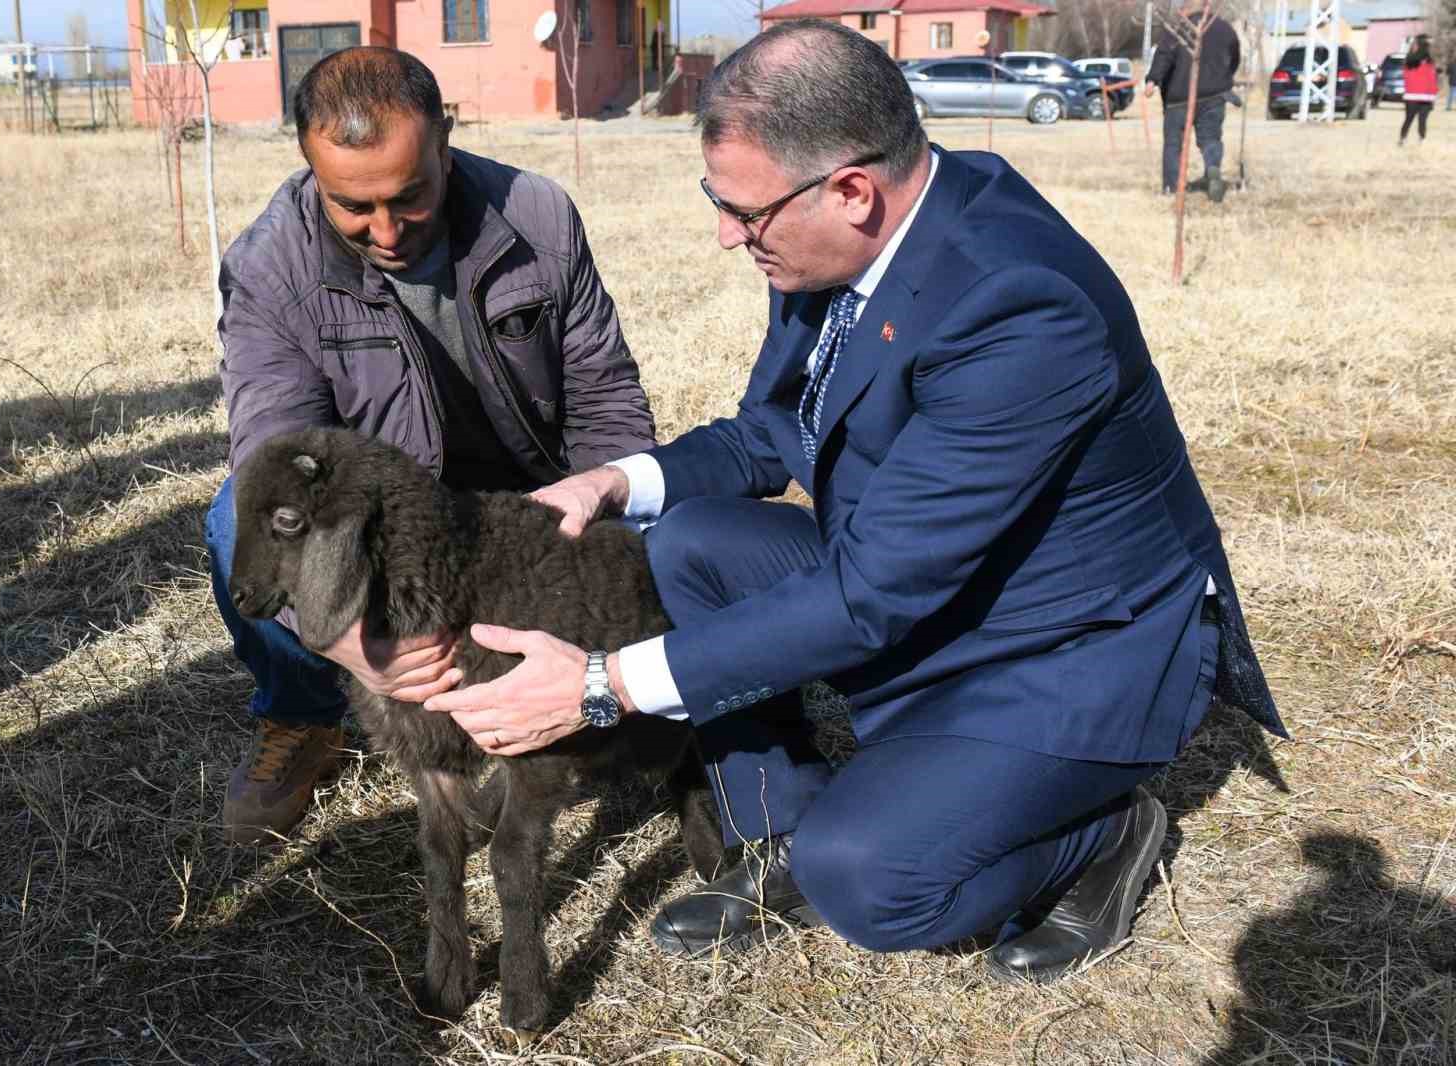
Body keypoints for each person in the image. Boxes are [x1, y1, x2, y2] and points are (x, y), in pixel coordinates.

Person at [421, 19, 1287, 984]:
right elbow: (773, 428)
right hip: (930, 581)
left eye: (740, 211)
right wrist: (619, 480)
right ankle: (774, 833)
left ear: (851, 189)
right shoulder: (832, 245)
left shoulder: (1019, 306)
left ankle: (1102, 833)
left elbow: (872, 594)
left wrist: (600, 684)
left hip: (1065, 644)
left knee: (872, 882)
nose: (725, 233)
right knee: (694, 539)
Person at [207, 47, 656, 846]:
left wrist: (610, 506)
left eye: (409, 196)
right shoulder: (270, 265)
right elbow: (277, 448)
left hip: (531, 490)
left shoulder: (538, 219)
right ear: (311, 168)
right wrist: (337, 632)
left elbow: (605, 397)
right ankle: (305, 715)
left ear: (444, 140)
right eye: (353, 205)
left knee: (668, 519)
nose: (385, 230)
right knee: (228, 520)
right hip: (391, 512)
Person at [1144, 0, 1241, 202]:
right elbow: (1235, 57)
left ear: (1185, 7)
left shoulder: (1177, 29)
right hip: (1215, 94)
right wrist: (1225, 78)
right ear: (1208, 6)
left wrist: (1153, 79)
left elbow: (1164, 56)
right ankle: (1212, 168)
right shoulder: (1224, 28)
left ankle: (1172, 186)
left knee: (1173, 144)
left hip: (1179, 97)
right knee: (1210, 139)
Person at [1400, 35, 1437, 144]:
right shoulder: (1414, 60)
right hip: (1420, 94)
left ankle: (1409, 138)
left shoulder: (1421, 60)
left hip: (1421, 95)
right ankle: (1413, 139)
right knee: (1416, 119)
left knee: (1412, 119)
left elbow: (1431, 78)